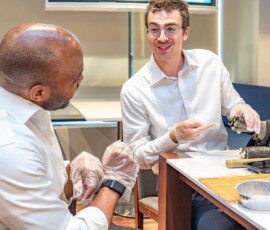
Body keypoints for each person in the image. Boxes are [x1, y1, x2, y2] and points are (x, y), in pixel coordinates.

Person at [120, 0, 260, 229]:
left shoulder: (210, 63)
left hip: (223, 171)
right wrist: (172, 137)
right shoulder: (135, 89)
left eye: (170, 28)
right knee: (222, 226)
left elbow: (233, 107)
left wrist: (242, 111)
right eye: (154, 29)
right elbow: (136, 157)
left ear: (185, 32)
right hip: (179, 183)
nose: (162, 37)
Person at [0, 23, 139, 230]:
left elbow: (37, 171)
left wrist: (71, 167)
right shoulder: (10, 145)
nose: (81, 80)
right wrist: (114, 182)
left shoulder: (28, 105)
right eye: (75, 80)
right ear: (39, 92)